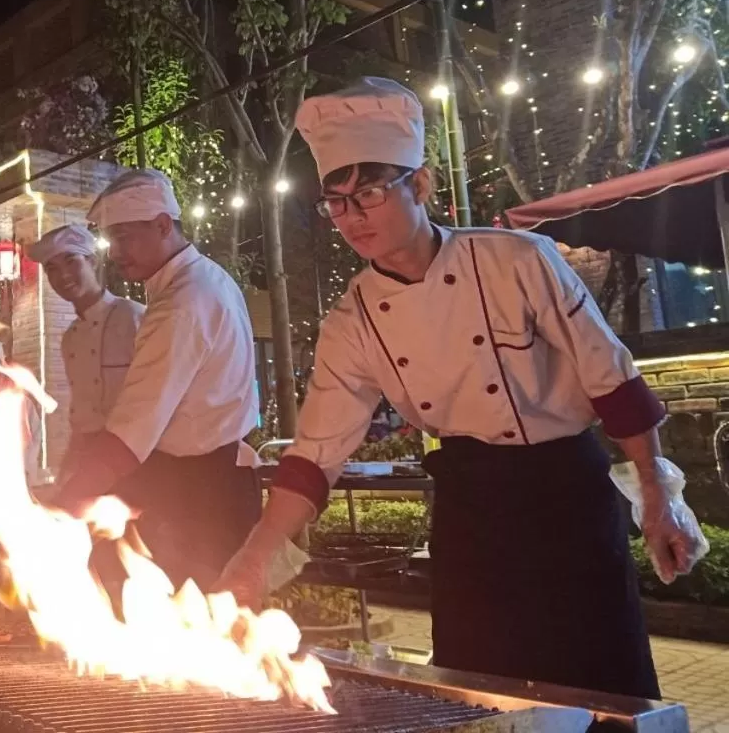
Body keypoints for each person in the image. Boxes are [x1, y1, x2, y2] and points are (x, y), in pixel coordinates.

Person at [217, 77, 703, 700]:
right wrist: (255, 557)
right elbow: (314, 456)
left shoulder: (517, 260)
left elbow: (612, 380)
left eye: (367, 193)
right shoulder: (353, 318)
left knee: (601, 685)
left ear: (419, 184)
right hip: (470, 508)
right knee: (475, 691)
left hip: (567, 495)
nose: (351, 218)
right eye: (335, 203)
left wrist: (657, 496)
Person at [53, 169, 262, 591]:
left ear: (164, 225)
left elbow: (134, 430)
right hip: (205, 481)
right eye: (113, 240)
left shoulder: (181, 303)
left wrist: (66, 502)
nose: (116, 253)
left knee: (195, 624)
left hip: (202, 493)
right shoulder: (205, 279)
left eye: (126, 238)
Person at [27, 224, 144, 479]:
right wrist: (69, 472)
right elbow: (82, 416)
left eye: (71, 261)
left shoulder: (134, 317)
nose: (63, 275)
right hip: (93, 459)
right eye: (52, 269)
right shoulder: (70, 338)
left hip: (139, 456)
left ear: (92, 261)